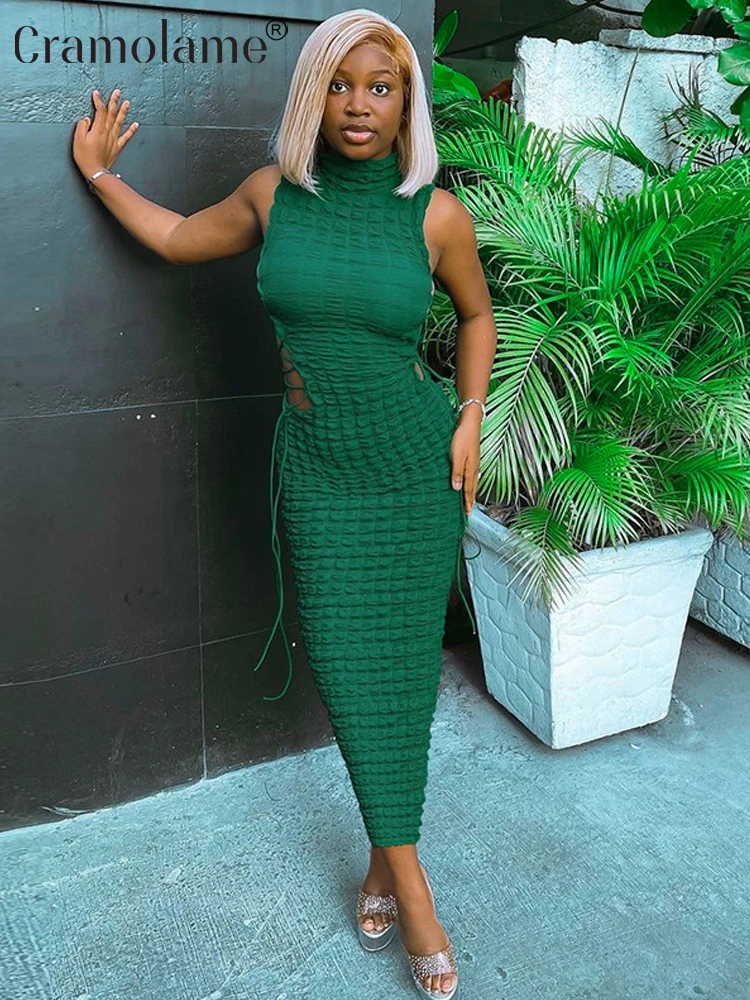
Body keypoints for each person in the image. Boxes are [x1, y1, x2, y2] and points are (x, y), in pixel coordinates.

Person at [71, 8, 496, 997]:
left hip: (414, 465)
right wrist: (99, 174)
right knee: (348, 671)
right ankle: (406, 877)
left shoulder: (435, 214)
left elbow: (478, 316)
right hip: (320, 470)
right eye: (340, 85)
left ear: (407, 104)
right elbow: (179, 238)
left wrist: (472, 414)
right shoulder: (272, 195)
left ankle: (395, 873)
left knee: (401, 682)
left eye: (380, 87)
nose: (359, 105)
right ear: (314, 95)